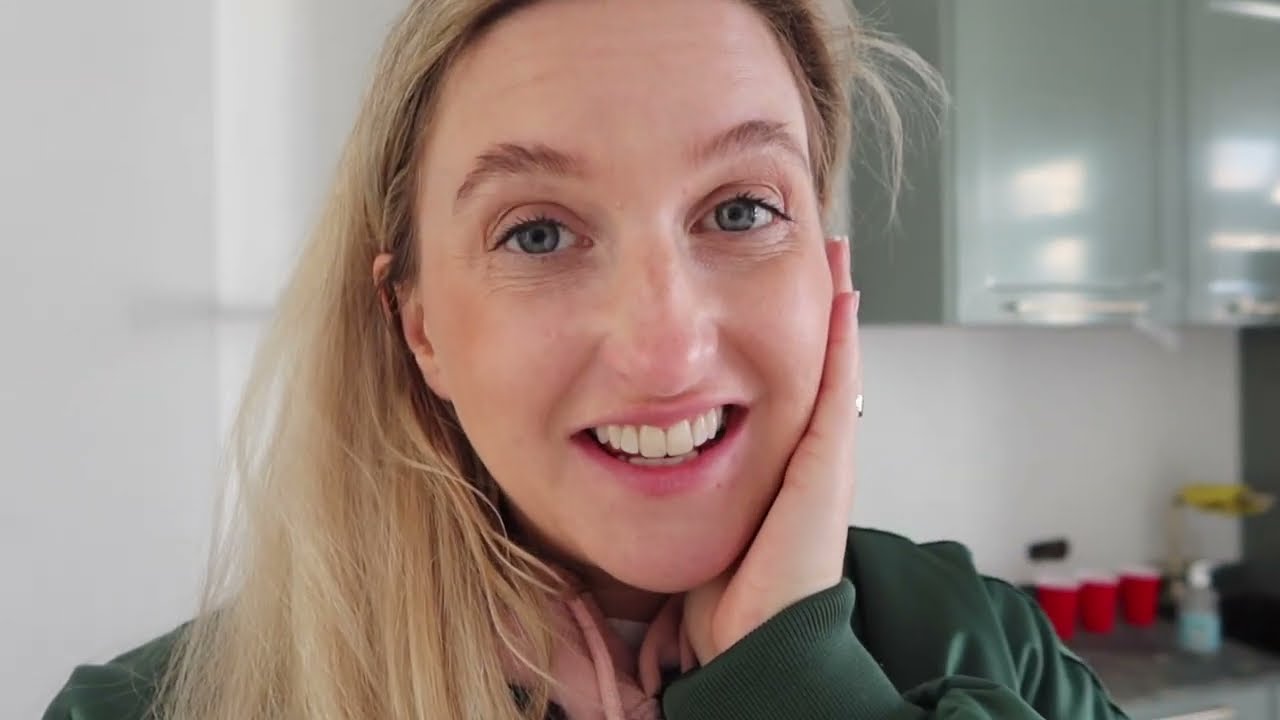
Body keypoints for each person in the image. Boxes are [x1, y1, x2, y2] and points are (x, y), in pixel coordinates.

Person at [44, 1, 1129, 718]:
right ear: (418, 327)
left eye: (742, 210)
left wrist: (797, 685)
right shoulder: (146, 712)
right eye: (536, 233)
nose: (666, 350)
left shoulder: (989, 645)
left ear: (826, 276)